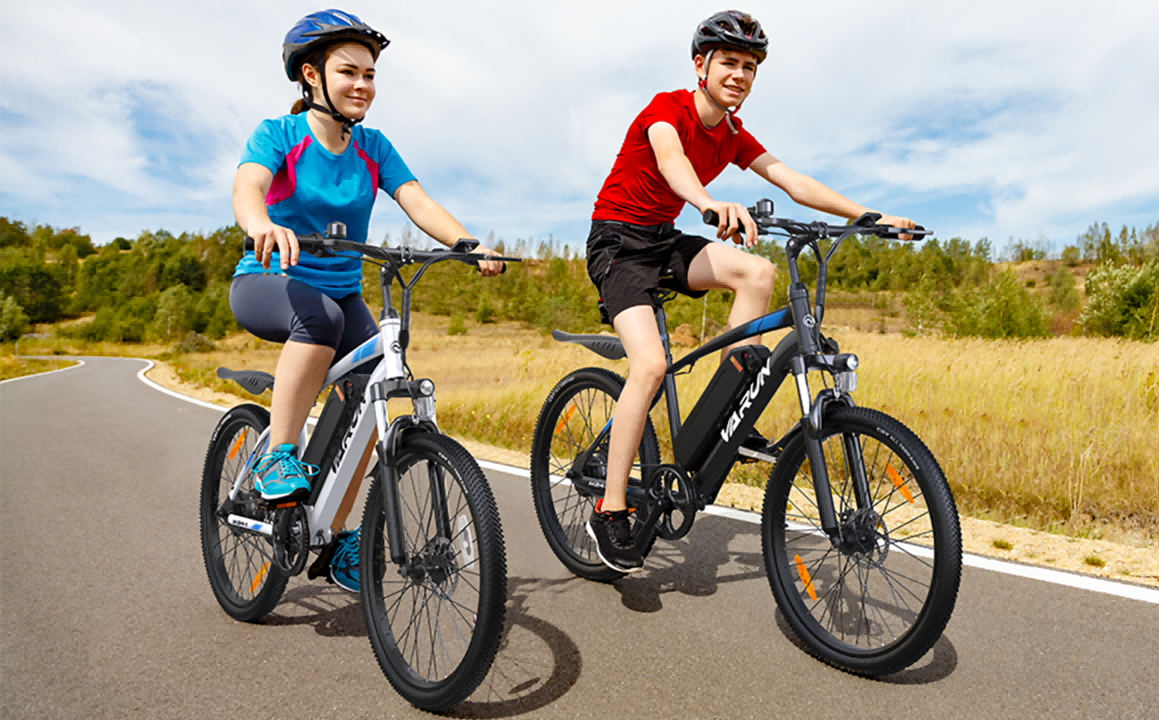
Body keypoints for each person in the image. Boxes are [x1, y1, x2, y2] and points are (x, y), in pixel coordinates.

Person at [585, 10, 918, 573]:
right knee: (649, 365)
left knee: (758, 274)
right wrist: (708, 203)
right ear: (702, 65)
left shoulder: (735, 134)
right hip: (617, 243)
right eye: (729, 63)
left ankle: (722, 404)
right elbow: (671, 163)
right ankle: (610, 507)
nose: (739, 75)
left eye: (749, 67)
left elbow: (793, 181)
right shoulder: (667, 109)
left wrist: (870, 216)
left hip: (664, 239)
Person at [229, 9, 502, 593]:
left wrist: (465, 243)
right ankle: (279, 452)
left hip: (341, 291)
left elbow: (417, 201)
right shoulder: (279, 134)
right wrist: (261, 225)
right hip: (270, 281)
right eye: (349, 72)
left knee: (381, 375)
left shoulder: (374, 146)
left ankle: (335, 535)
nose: (363, 86)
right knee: (319, 318)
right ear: (311, 75)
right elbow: (248, 185)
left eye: (371, 75)